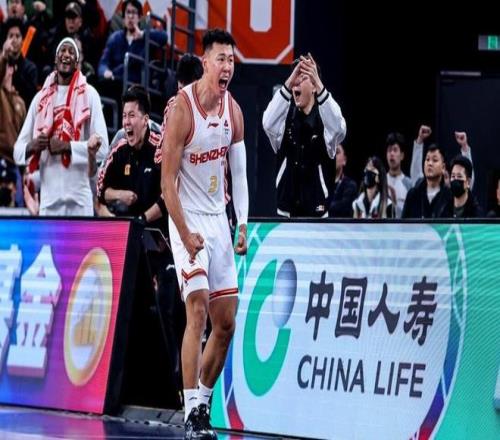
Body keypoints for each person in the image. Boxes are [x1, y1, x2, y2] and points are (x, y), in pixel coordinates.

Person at [162, 29, 248, 440]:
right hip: (186, 217)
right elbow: (166, 184)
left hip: (217, 219)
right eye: (220, 59)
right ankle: (190, 409)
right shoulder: (182, 109)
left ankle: (203, 404)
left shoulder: (234, 112)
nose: (227, 67)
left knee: (226, 323)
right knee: (196, 310)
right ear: (205, 63)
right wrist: (184, 233)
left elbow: (240, 175)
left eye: (231, 60)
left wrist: (242, 223)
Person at [13, 37, 108, 216]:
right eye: (62, 51)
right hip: (49, 203)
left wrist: (67, 147)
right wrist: (33, 146)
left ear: (77, 63)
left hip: (79, 202)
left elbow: (103, 150)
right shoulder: (40, 99)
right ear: (55, 60)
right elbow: (17, 152)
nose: (66, 54)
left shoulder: (90, 94)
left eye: (71, 52)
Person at [262, 53, 346, 217]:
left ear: (314, 86)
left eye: (303, 77)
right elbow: (267, 123)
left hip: (318, 217)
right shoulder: (285, 120)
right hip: (285, 216)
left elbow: (339, 128)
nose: (296, 82)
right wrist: (288, 83)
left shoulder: (325, 123)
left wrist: (319, 84)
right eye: (295, 77)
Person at [402, 144, 453, 218]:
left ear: (443, 167)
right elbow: (403, 222)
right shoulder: (413, 194)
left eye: (435, 160)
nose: (430, 163)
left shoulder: (450, 196)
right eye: (427, 159)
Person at [1, 17, 38, 106]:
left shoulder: (31, 68)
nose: (14, 40)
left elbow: (31, 97)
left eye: (17, 36)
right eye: (10, 36)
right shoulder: (2, 63)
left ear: (22, 41)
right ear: (6, 39)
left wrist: (15, 68)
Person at [385, 132, 412, 218]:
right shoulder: (381, 181)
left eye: (395, 150)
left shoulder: (409, 184)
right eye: (389, 150)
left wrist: (395, 204)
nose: (391, 154)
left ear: (402, 156)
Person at [328, 143, 357, 217]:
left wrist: (324, 206)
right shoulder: (320, 184)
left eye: (337, 152)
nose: (334, 156)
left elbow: (344, 207)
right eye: (331, 152)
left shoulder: (350, 185)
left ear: (344, 160)